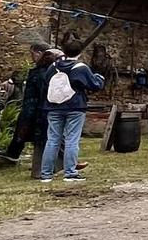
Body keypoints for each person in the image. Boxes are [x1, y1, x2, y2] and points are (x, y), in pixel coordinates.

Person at [38, 46, 104, 183]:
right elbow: (94, 85)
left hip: (53, 106)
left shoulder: (53, 67)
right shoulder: (80, 67)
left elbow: (45, 84)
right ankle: (70, 173)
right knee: (72, 139)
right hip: (75, 106)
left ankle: (45, 174)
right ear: (80, 53)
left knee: (52, 140)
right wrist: (99, 77)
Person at [8, 42, 55, 178]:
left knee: (42, 138)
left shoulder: (43, 72)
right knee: (41, 138)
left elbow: (42, 92)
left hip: (38, 109)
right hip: (37, 107)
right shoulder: (43, 70)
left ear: (40, 53)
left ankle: (41, 170)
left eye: (32, 53)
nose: (31, 57)